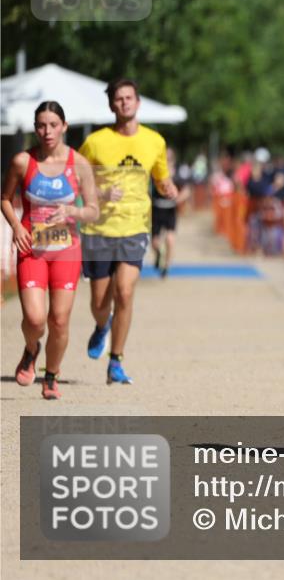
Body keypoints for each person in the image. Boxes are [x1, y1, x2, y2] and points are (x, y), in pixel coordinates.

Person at [79, 79, 177, 385]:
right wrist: (101, 194)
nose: (124, 103)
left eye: (129, 97)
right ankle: (102, 326)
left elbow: (161, 177)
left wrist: (168, 187)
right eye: (118, 99)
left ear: (138, 101)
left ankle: (116, 361)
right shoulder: (95, 142)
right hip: (98, 229)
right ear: (111, 105)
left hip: (135, 227)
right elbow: (77, 179)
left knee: (124, 291)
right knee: (99, 304)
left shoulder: (154, 141)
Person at [1, 101, 99, 399]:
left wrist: (72, 211)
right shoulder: (23, 161)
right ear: (35, 128)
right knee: (34, 319)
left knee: (59, 319)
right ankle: (31, 349)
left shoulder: (79, 164)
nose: (47, 131)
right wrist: (16, 227)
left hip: (66, 250)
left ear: (64, 127)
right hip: (31, 248)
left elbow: (93, 210)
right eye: (42, 125)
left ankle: (52, 375)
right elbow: (4, 198)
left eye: (53, 125)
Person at [150, 148, 191, 278]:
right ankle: (159, 254)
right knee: (155, 242)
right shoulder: (155, 171)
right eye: (165, 158)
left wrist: (178, 199)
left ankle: (166, 267)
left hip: (170, 210)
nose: (167, 160)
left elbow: (187, 190)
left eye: (169, 158)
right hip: (156, 209)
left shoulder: (177, 173)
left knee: (170, 240)